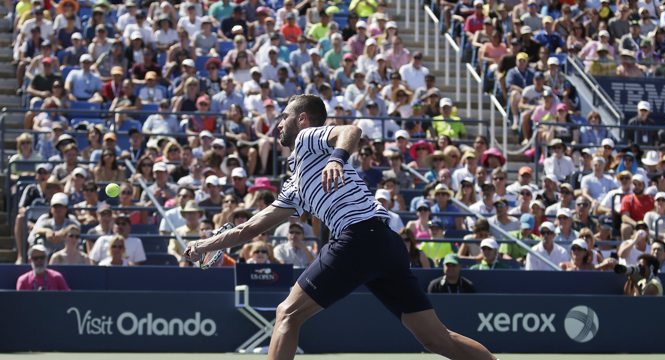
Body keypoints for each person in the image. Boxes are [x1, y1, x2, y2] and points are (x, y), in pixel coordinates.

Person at [183, 95, 496, 360]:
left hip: (357, 238)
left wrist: (336, 158)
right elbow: (249, 229)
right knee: (437, 339)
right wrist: (203, 245)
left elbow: (351, 129)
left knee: (287, 315)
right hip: (386, 245)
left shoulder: (308, 139)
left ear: (302, 120)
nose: (279, 123)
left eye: (284, 117)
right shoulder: (295, 184)